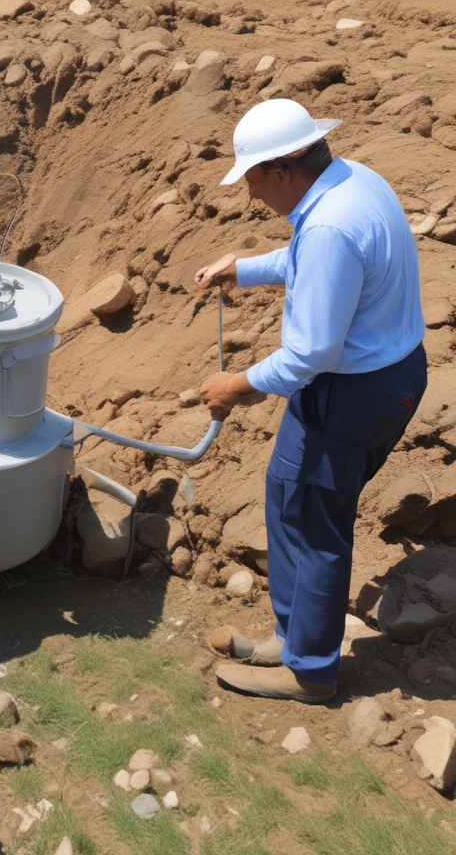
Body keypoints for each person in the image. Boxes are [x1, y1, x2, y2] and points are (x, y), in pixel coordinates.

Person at [194, 98, 426, 703]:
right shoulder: (352, 181)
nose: (249, 195)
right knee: (290, 499)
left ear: (281, 171)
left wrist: (236, 386)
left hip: (350, 392)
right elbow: (315, 265)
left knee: (314, 523)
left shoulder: (327, 224)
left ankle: (312, 671)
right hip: (387, 374)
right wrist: (243, 269)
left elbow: (309, 355)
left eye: (250, 181)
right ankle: (295, 634)